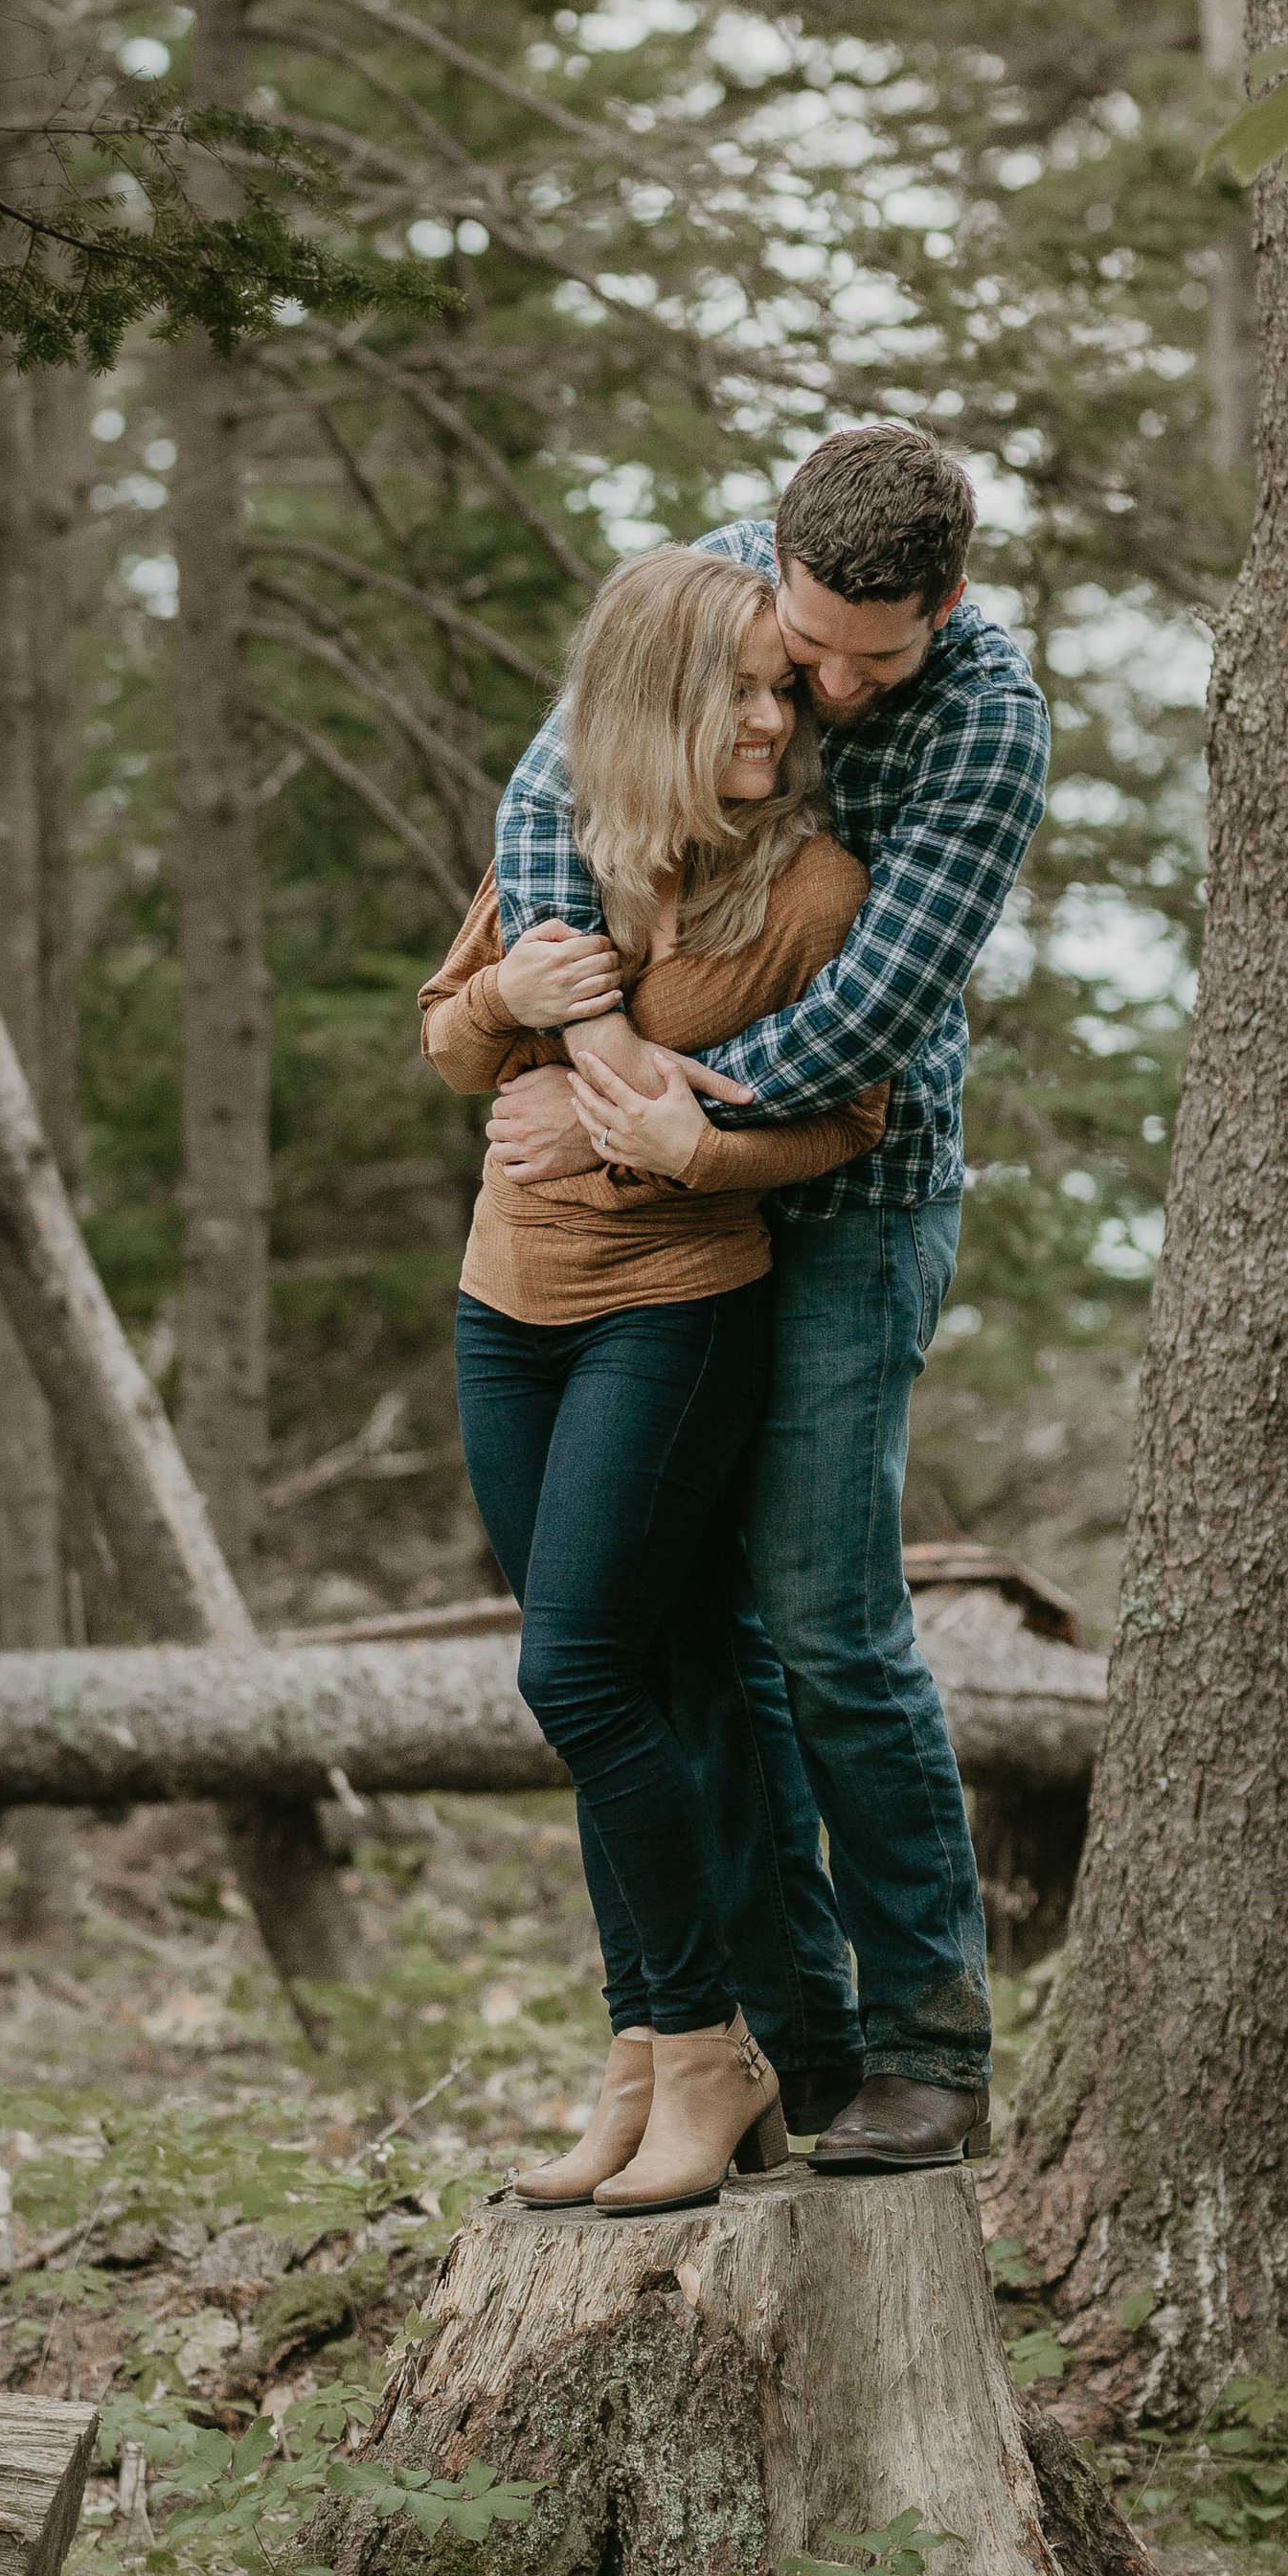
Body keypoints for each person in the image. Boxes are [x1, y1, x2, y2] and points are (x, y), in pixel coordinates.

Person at [486, 422, 1051, 2173]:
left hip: (855, 1202)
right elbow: (539, 802)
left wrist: (676, 1107)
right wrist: (588, 1040)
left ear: (943, 604)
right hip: (656, 1200)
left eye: (862, 660)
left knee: (822, 1616)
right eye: (805, 647)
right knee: (688, 1638)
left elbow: (882, 1005)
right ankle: (784, 2045)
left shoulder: (987, 716)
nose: (819, 686)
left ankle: (930, 2051)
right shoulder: (730, 583)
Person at [418, 546, 893, 2217]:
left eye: (787, 690)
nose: (778, 717)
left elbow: (849, 1119)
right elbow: (447, 1040)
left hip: (677, 1309)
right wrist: (504, 998)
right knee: (614, 1679)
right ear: (653, 704)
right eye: (747, 691)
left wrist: (684, 1149)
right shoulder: (567, 863)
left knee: (579, 1673)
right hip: (505, 1300)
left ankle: (713, 2043)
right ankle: (639, 2055)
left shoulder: (820, 890)